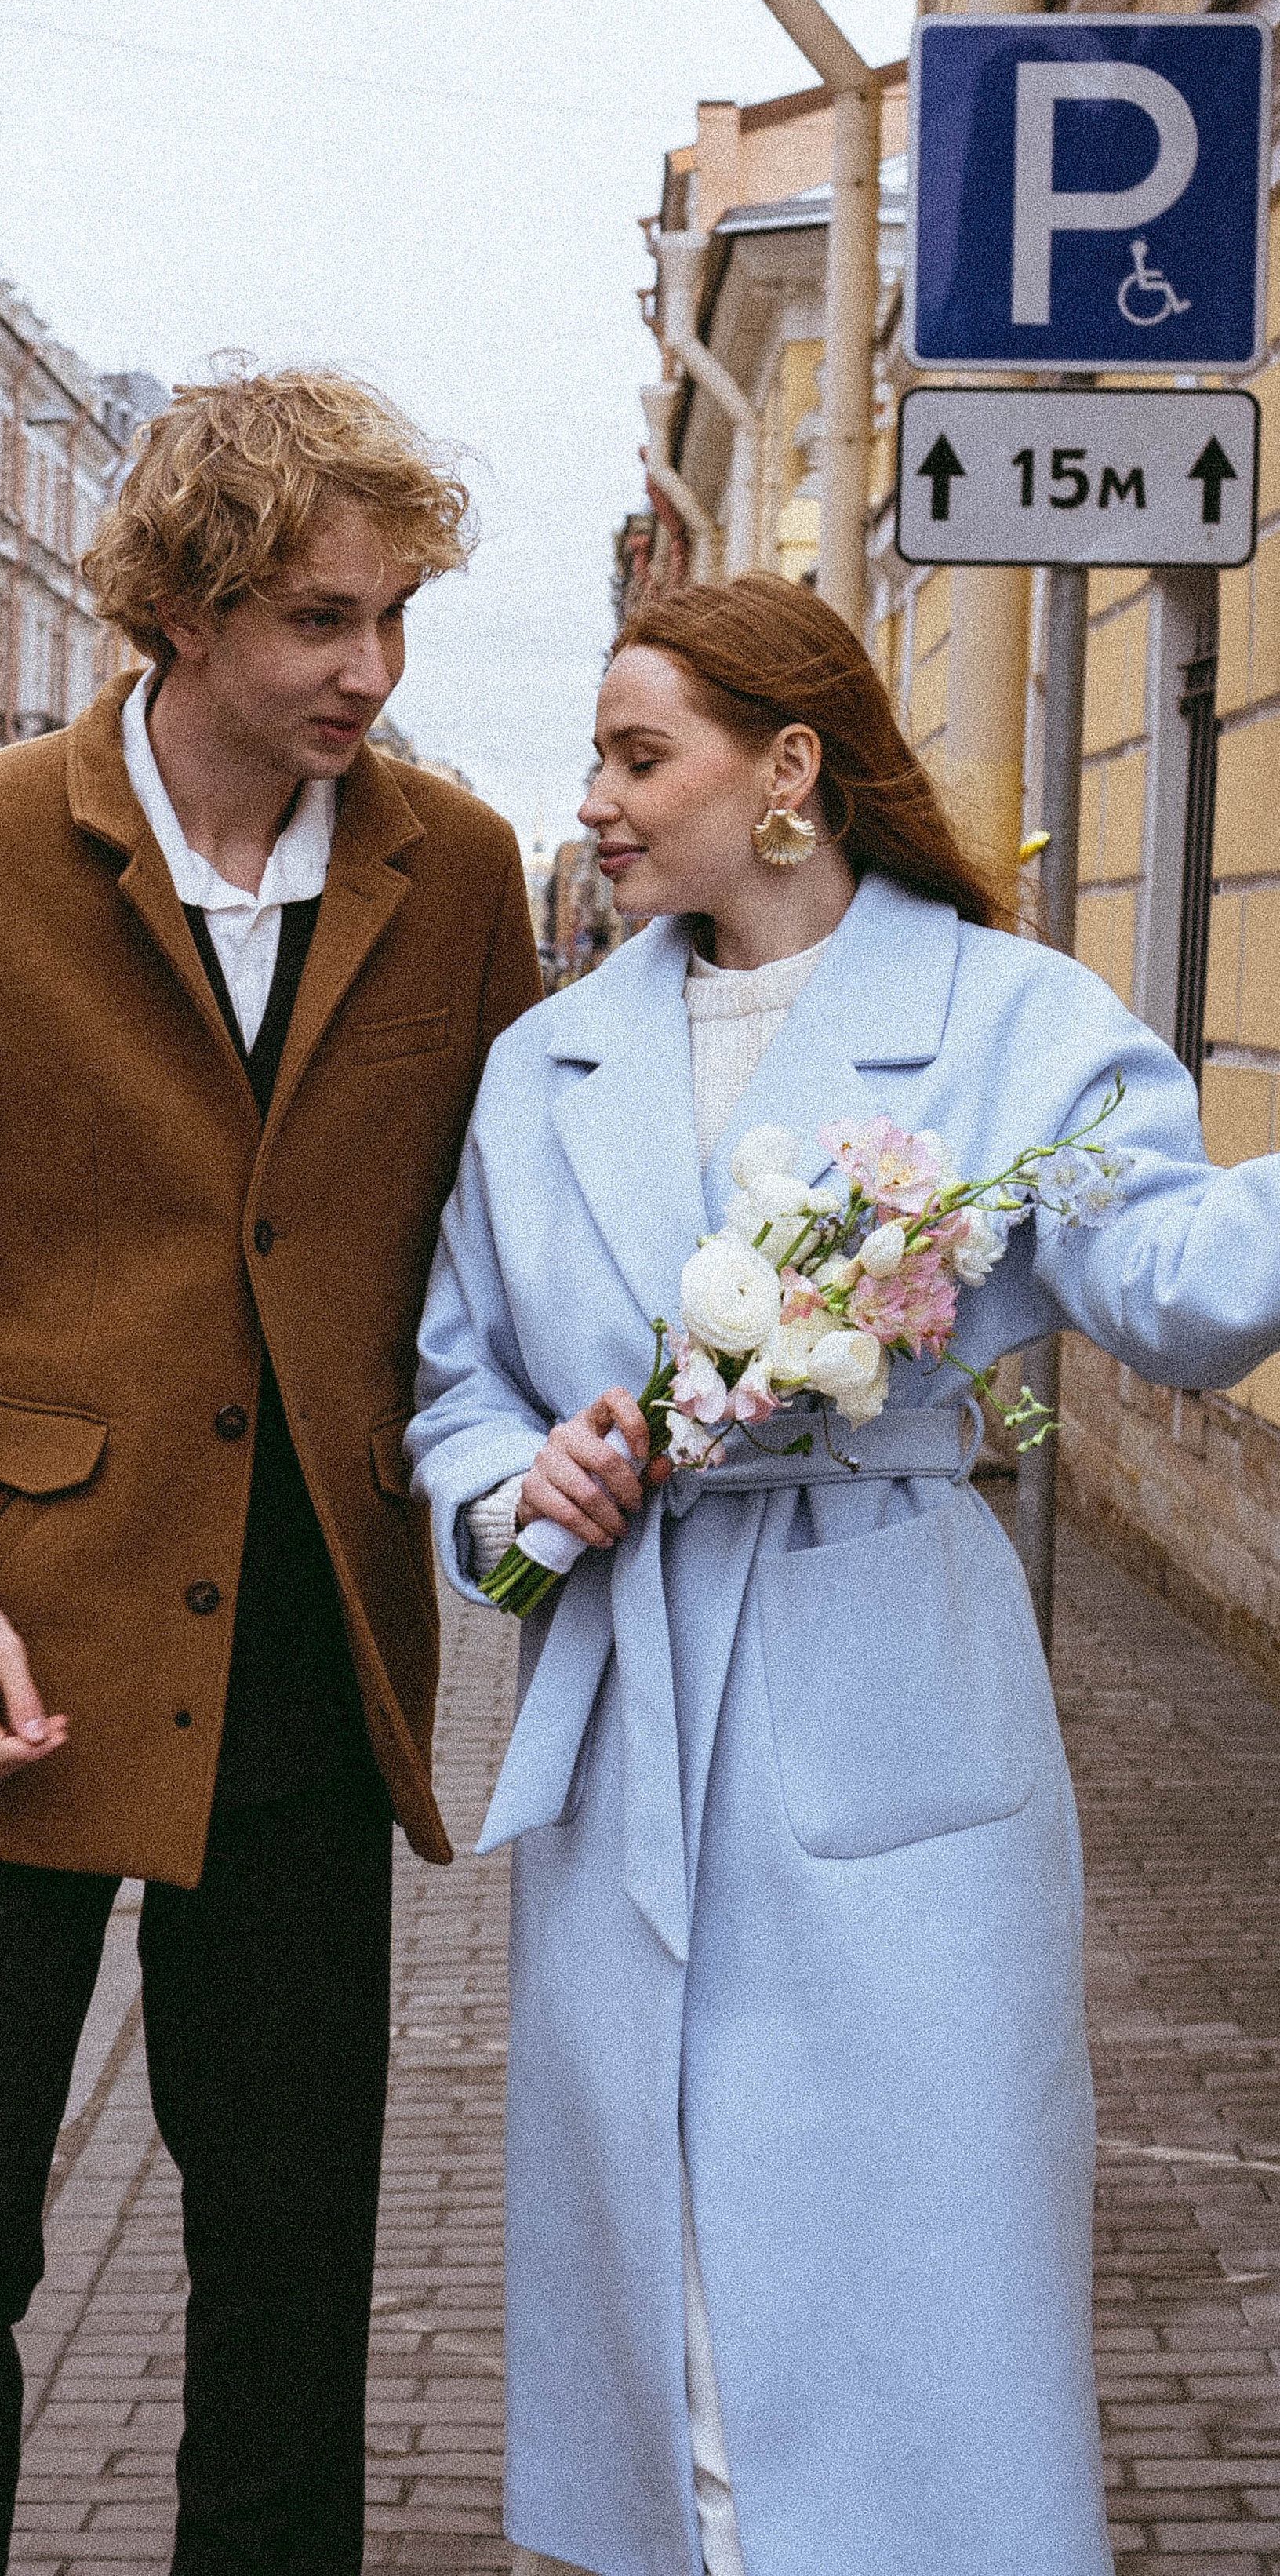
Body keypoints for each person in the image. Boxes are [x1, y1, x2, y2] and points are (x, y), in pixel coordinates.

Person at [0, 366, 542, 2576]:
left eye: (392, 620)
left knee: (290, 2261)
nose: (366, 670)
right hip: (14, 1651)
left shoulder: (454, 870)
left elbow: (509, 1233)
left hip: (303, 1665)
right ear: (179, 612)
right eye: (314, 620)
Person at [405, 570, 1280, 2576]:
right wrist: (522, 1487)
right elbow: (451, 1382)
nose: (597, 806)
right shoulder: (547, 1067)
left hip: (885, 1695)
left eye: (641, 759)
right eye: (595, 763)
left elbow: (1164, 1277)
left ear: (785, 771)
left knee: (906, 2285)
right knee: (678, 2293)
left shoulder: (998, 1015)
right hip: (634, 1720)